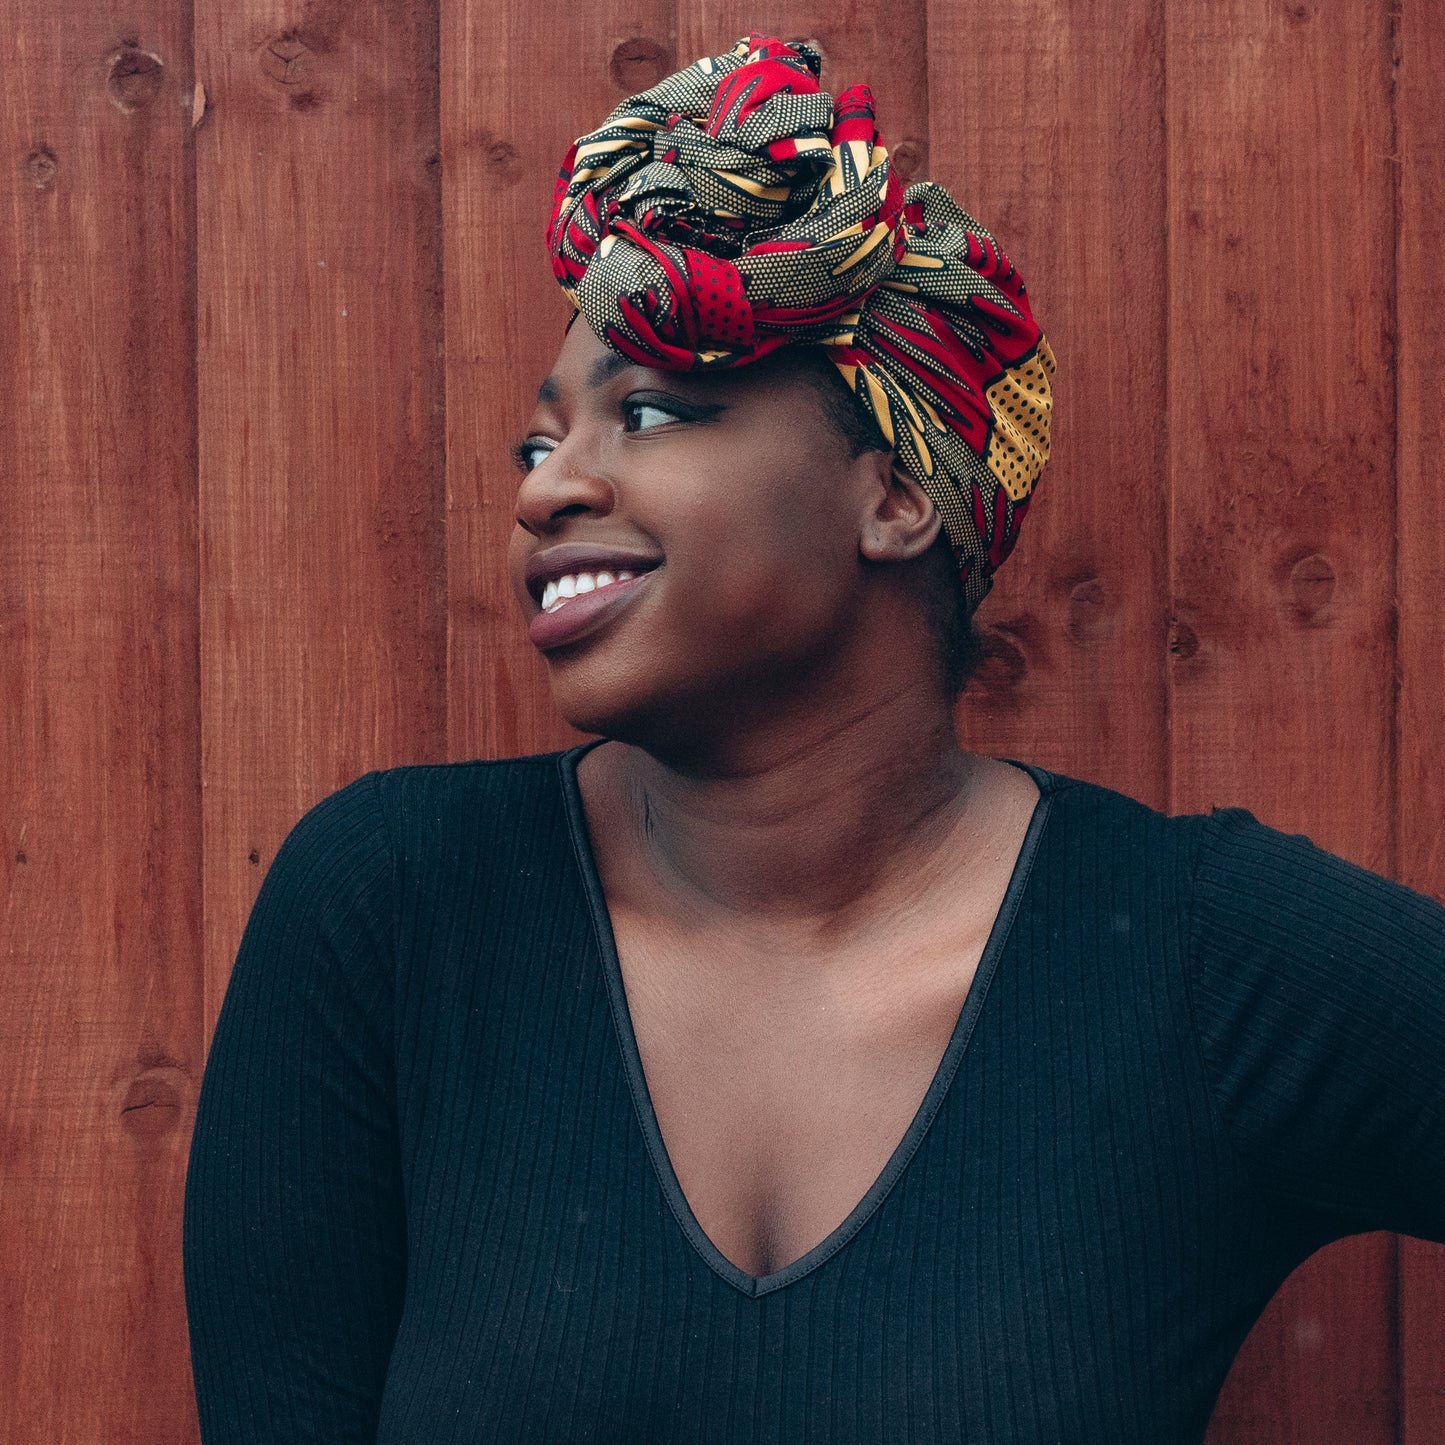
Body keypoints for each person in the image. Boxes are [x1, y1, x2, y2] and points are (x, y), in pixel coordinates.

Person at [182, 34, 1445, 1445]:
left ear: (894, 495)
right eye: (538, 447)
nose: (549, 492)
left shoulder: (1196, 958)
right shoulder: (393, 907)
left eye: (653, 412)